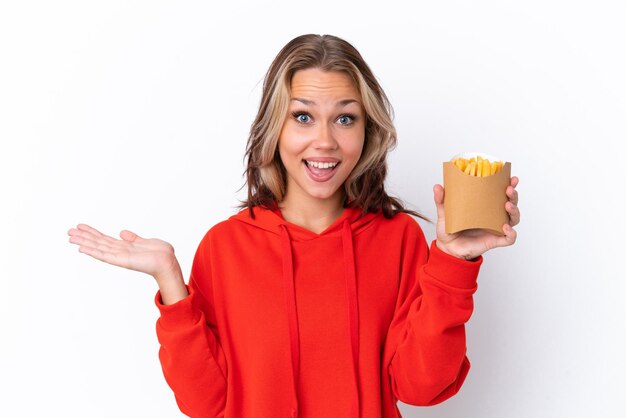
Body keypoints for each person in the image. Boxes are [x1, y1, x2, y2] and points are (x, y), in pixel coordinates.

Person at [68, 34, 520, 418]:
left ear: (368, 131)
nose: (324, 141)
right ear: (274, 129)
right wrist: (171, 281)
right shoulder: (225, 247)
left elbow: (421, 387)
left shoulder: (398, 238)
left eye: (345, 118)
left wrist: (453, 264)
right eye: (302, 116)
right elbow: (204, 402)